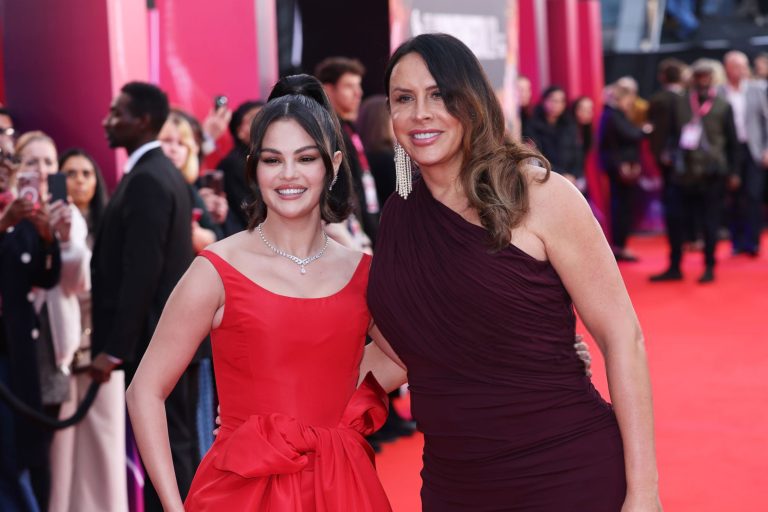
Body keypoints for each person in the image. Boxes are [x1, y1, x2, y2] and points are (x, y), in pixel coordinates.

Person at [367, 33, 661, 511]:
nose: (420, 113)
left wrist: (644, 494)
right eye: (404, 98)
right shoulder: (398, 215)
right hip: (454, 485)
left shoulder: (540, 194)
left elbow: (622, 337)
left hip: (564, 473)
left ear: (473, 101)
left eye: (439, 94)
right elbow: (402, 352)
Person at [126, 75, 393, 511]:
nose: (288, 175)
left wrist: (334, 394)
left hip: (342, 487)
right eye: (272, 160)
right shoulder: (216, 269)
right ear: (254, 166)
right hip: (244, 492)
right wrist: (173, 506)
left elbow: (414, 356)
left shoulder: (362, 273)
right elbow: (144, 391)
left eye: (306, 158)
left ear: (333, 164)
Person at [90, 81, 196, 511]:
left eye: (117, 113)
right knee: (170, 448)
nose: (107, 121)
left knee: (167, 451)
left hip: (154, 342)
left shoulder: (148, 179)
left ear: (143, 121)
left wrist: (115, 349)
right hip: (164, 339)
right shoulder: (157, 173)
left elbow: (142, 274)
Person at [0, 145, 62, 512]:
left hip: (15, 351)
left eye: (6, 162)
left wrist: (47, 237)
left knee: (19, 448)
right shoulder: (10, 217)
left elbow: (45, 277)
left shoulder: (23, 214)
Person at [650, 59, 740, 283]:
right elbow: (670, 134)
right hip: (683, 172)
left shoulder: (722, 105)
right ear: (692, 78)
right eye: (698, 76)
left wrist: (734, 172)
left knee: (710, 222)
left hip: (712, 172)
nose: (702, 80)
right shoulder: (680, 103)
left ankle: (709, 266)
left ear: (713, 78)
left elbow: (733, 142)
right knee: (676, 219)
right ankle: (674, 266)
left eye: (706, 76)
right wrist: (667, 154)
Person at [316, 56, 381, 245]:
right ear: (329, 89)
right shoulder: (326, 130)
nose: (358, 93)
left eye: (358, 86)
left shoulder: (349, 128)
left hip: (365, 223)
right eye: (349, 86)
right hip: (343, 231)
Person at [718, 51, 768, 257]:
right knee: (733, 197)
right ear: (727, 68)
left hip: (753, 148)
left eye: (744, 65)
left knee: (754, 195)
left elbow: (766, 120)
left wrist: (766, 148)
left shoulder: (757, 90)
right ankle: (736, 241)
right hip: (730, 151)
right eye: (737, 66)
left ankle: (753, 242)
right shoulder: (719, 92)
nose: (742, 70)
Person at [599, 82, 649, 262]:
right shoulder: (612, 115)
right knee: (621, 208)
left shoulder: (616, 115)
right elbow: (630, 135)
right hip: (620, 168)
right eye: (629, 100)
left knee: (624, 207)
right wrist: (644, 130)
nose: (631, 103)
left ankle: (621, 245)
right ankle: (619, 246)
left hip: (622, 166)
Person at [217, 100, 264, 233]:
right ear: (239, 131)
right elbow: (248, 213)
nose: (265, 123)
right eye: (255, 118)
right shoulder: (233, 164)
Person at [523, 85, 583, 189]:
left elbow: (577, 153)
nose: (557, 105)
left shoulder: (569, 125)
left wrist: (574, 174)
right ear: (544, 101)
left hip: (571, 179)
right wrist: (560, 174)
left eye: (561, 101)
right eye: (554, 100)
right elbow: (537, 155)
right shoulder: (532, 125)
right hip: (546, 177)